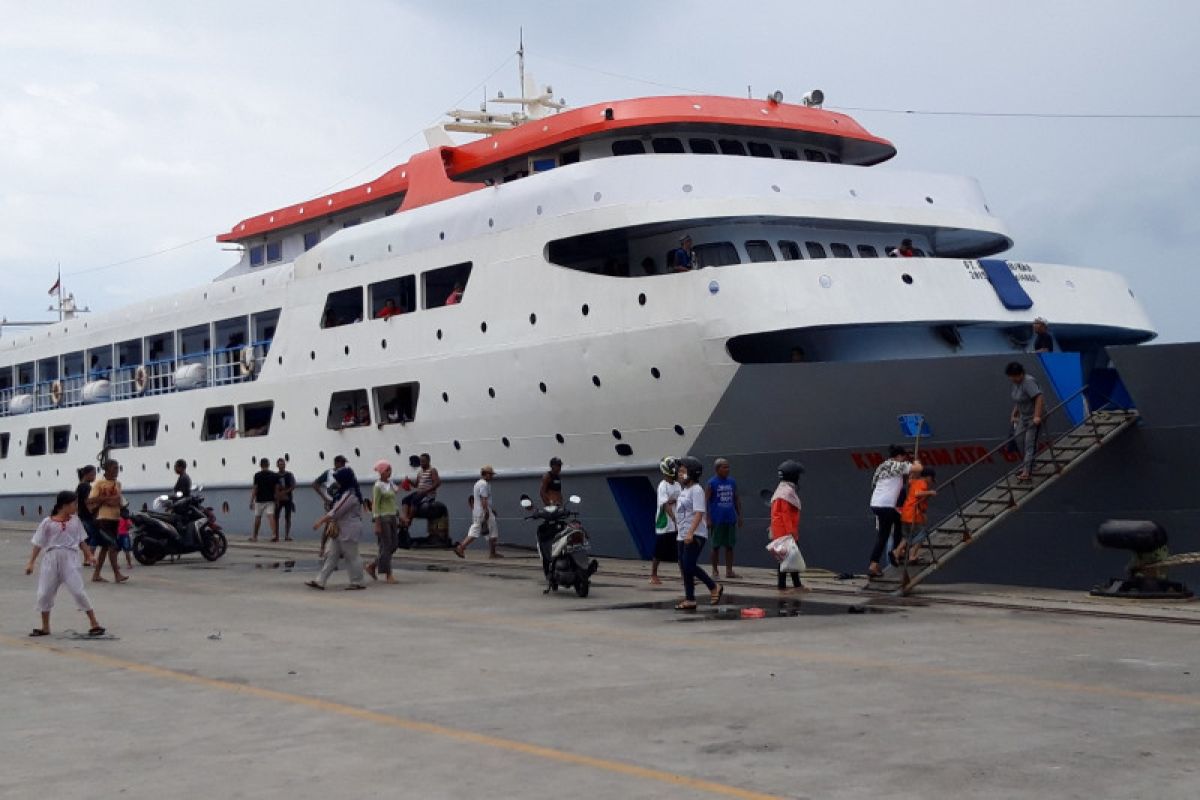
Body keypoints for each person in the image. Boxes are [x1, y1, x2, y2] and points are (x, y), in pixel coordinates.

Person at [26, 491, 105, 637]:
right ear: (64, 505)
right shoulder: (47, 522)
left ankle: (94, 623)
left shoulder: (75, 521)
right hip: (51, 559)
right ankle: (45, 627)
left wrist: (89, 555)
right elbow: (38, 543)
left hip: (70, 558)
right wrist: (31, 562)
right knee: (44, 593)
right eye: (74, 504)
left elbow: (81, 540)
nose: (76, 507)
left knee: (78, 591)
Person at [305, 469, 367, 590]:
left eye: (338, 481)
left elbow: (337, 510)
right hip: (341, 529)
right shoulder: (345, 492)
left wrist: (321, 521)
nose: (337, 483)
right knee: (331, 555)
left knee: (352, 556)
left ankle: (358, 581)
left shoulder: (350, 495)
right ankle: (320, 580)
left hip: (348, 529)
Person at [867, 446, 923, 578]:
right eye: (903, 457)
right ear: (898, 456)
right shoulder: (898, 465)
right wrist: (916, 461)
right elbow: (918, 469)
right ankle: (896, 552)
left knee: (884, 534)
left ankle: (874, 564)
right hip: (886, 505)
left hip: (876, 503)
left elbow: (873, 484)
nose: (904, 459)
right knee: (900, 522)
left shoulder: (882, 466)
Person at [674, 456, 722, 610]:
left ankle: (713, 586)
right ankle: (690, 599)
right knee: (684, 565)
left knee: (689, 564)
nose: (680, 474)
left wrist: (690, 533)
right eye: (679, 471)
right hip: (682, 534)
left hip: (695, 534)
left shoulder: (697, 490)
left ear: (693, 473)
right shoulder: (684, 490)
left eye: (683, 471)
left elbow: (699, 513)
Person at [87, 459, 128, 583]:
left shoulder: (118, 484)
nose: (117, 470)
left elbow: (117, 501)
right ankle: (117, 574)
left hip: (115, 518)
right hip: (103, 519)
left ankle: (96, 574)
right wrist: (107, 499)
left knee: (105, 548)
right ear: (107, 468)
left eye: (118, 467)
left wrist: (106, 500)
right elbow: (90, 501)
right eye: (115, 468)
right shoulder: (99, 483)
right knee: (112, 546)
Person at [769, 460, 806, 593]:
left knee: (787, 559)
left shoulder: (781, 489)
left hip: (780, 531)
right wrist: (791, 533)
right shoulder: (787, 492)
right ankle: (789, 586)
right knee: (788, 559)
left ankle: (789, 585)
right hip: (785, 532)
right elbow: (785, 514)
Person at [1006, 362, 1045, 481]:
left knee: (1029, 443)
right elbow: (1019, 400)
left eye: (1014, 376)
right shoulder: (1016, 384)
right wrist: (1014, 413)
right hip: (1023, 417)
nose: (1012, 378)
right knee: (1018, 439)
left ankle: (1027, 471)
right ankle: (1030, 465)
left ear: (1021, 374)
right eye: (1011, 376)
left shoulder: (1028, 382)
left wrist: (1037, 416)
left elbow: (1039, 397)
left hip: (1033, 417)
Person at [706, 458, 742, 579]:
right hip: (717, 519)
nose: (727, 469)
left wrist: (739, 515)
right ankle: (715, 571)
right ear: (717, 469)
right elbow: (706, 501)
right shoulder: (711, 483)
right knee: (715, 546)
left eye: (728, 467)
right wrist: (708, 518)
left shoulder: (732, 482)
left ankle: (729, 571)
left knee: (730, 546)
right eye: (724, 467)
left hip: (730, 518)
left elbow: (736, 498)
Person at [455, 466, 501, 559]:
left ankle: (461, 547)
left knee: (475, 529)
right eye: (491, 474)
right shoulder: (484, 484)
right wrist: (487, 511)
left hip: (477, 511)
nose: (492, 476)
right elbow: (484, 499)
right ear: (486, 474)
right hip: (483, 510)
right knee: (493, 530)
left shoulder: (478, 483)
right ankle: (492, 553)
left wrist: (490, 509)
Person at [365, 460, 400, 583]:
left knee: (394, 545)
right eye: (387, 470)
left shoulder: (390, 483)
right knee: (386, 546)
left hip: (392, 517)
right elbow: (375, 505)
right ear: (381, 472)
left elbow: (396, 492)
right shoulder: (377, 486)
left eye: (390, 470)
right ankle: (388, 574)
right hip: (383, 518)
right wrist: (377, 523)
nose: (389, 472)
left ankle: (372, 565)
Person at [650, 456, 680, 586]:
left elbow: (680, 499)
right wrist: (673, 517)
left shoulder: (678, 485)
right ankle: (653, 574)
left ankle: (685, 576)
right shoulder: (663, 486)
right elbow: (665, 505)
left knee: (680, 549)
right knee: (659, 551)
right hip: (665, 523)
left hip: (677, 523)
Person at [898, 468, 938, 565]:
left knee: (907, 536)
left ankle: (897, 553)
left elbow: (919, 499)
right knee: (922, 534)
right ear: (928, 477)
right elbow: (917, 494)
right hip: (913, 514)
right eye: (932, 479)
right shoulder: (922, 483)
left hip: (906, 514)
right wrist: (930, 492)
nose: (931, 482)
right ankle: (912, 555)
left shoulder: (915, 482)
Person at [401, 453, 440, 527]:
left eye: (423, 461)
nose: (422, 463)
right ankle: (405, 518)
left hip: (428, 494)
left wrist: (426, 491)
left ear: (428, 461)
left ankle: (409, 520)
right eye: (421, 461)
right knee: (405, 500)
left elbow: (437, 483)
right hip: (419, 492)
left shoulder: (432, 470)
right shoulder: (420, 472)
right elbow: (416, 485)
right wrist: (409, 481)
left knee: (414, 501)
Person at [249, 458, 279, 542]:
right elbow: (276, 489)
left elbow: (255, 489)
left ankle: (255, 536)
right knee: (271, 516)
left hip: (259, 499)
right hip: (270, 499)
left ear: (260, 465)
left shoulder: (257, 475)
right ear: (268, 464)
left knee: (258, 517)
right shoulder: (274, 475)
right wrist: (277, 500)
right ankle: (274, 535)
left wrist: (251, 501)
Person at [274, 458, 296, 541]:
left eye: (282, 464)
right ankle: (276, 536)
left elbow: (293, 485)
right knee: (276, 517)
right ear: (277, 465)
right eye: (280, 464)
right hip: (278, 499)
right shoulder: (275, 476)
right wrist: (277, 496)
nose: (281, 466)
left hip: (288, 498)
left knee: (288, 517)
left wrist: (285, 492)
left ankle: (287, 535)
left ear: (285, 465)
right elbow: (273, 487)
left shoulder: (289, 474)